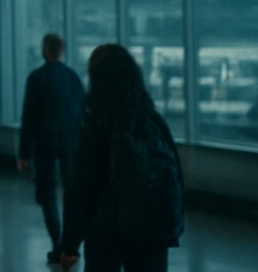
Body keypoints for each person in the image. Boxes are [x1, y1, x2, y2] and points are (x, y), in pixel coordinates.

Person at [60, 44, 183, 271]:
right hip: (152, 228)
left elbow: (81, 186)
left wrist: (69, 244)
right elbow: (175, 174)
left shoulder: (94, 123)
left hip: (107, 229)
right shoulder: (152, 121)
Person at [19, 33, 86, 264]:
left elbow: (28, 117)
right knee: (73, 193)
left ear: (44, 50)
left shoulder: (37, 78)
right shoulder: (73, 78)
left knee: (47, 193)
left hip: (45, 143)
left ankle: (57, 244)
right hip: (71, 142)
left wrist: (24, 154)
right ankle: (71, 245)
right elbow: (83, 113)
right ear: (62, 50)